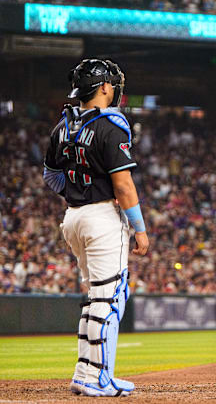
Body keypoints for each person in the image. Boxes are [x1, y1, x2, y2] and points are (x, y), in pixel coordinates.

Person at [43, 59, 149, 397]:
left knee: (96, 297)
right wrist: (140, 228)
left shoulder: (62, 126)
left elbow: (50, 175)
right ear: (104, 88)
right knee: (110, 296)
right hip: (101, 217)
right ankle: (97, 377)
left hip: (73, 217)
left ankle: (85, 373)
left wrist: (77, 193)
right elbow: (124, 185)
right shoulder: (110, 125)